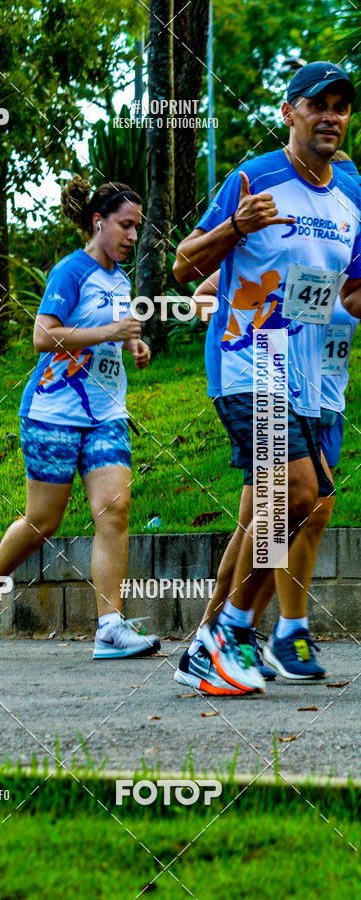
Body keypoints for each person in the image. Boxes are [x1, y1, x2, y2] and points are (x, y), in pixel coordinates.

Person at [173, 61, 361, 693]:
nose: (330, 115)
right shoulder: (253, 177)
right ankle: (232, 632)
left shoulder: (353, 191)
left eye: (341, 106)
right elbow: (182, 266)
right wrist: (236, 226)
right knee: (299, 497)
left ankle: (209, 642)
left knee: (270, 510)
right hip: (251, 357)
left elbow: (353, 293)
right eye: (317, 105)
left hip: (316, 374)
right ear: (290, 112)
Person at [0, 176, 161, 659]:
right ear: (99, 222)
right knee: (42, 521)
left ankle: (110, 628)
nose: (133, 236)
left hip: (106, 414)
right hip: (52, 412)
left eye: (137, 227)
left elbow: (107, 331)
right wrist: (112, 328)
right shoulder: (70, 272)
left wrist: (131, 342)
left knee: (115, 510)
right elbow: (43, 336)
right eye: (125, 225)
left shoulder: (118, 278)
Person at [175, 263, 358, 693]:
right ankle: (241, 636)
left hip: (325, 404)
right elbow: (204, 293)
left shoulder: (346, 242)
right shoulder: (290, 245)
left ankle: (221, 639)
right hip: (271, 391)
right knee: (287, 510)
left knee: (273, 517)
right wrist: (241, 327)